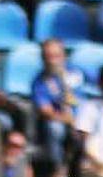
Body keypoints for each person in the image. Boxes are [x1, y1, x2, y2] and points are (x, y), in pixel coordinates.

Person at [32, 36, 86, 164]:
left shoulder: (76, 72)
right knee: (54, 129)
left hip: (83, 115)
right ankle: (57, 167)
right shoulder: (40, 82)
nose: (52, 61)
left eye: (56, 56)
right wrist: (69, 120)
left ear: (63, 56)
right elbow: (46, 111)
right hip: (60, 120)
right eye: (48, 57)